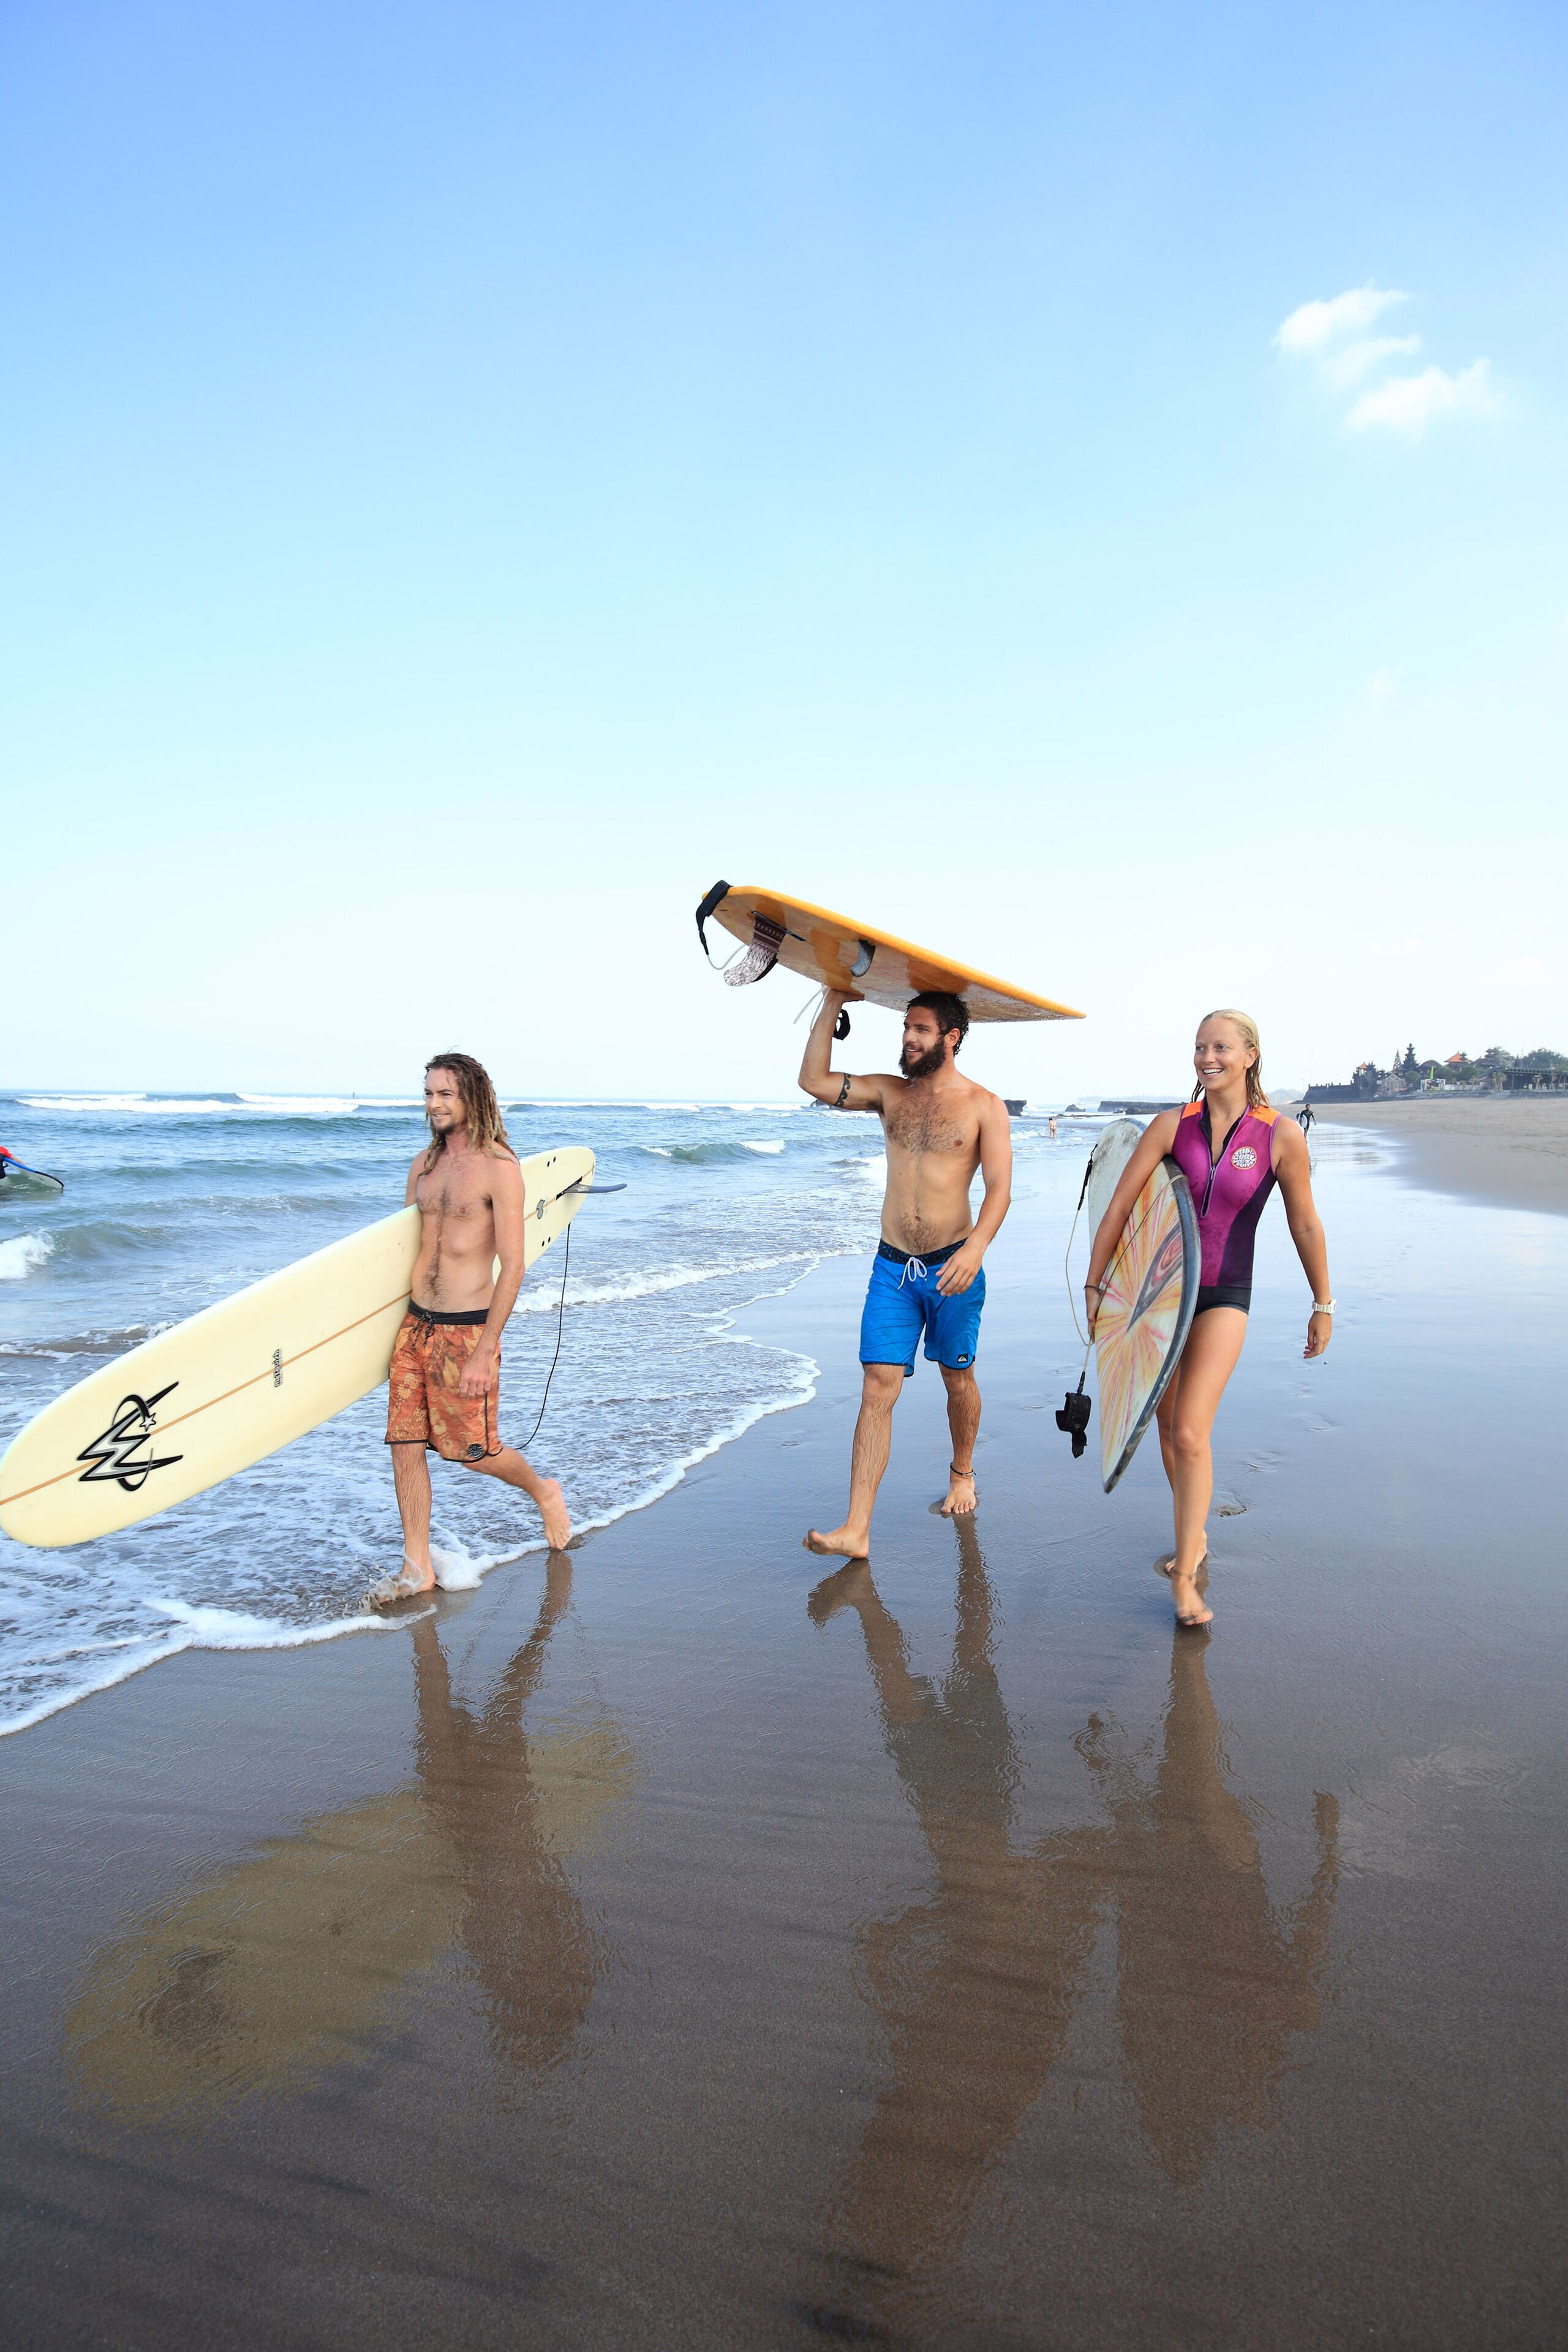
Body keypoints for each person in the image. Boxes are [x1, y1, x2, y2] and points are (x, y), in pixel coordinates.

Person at [1085, 1011, 1332, 1630]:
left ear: (1249, 1055)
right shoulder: (1171, 1126)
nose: (1206, 1057)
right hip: (1158, 1297)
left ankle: (1189, 1566)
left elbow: (1303, 1222)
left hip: (1225, 1293)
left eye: (1220, 1046)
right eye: (1199, 1047)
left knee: (1191, 1430)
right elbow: (1117, 1205)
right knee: (1166, 1428)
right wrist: (1096, 1284)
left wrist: (1322, 1301)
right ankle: (1191, 1527)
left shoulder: (1279, 1136)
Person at [797, 987, 1012, 1557]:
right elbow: (813, 1081)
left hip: (953, 1269)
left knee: (956, 1379)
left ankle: (962, 1471)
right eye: (905, 1029)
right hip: (892, 1268)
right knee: (877, 1385)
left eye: (920, 1029)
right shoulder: (890, 1095)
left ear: (952, 1037)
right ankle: (857, 1528)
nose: (909, 1039)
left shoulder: (983, 1105)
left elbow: (1000, 1190)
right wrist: (831, 1002)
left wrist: (977, 1249)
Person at [368, 1054, 570, 1607]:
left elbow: (515, 1265)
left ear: (472, 1098)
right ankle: (417, 1568)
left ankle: (542, 1490)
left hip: (465, 1331)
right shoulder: (423, 1168)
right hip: (414, 1327)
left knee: (472, 1451)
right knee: (405, 1446)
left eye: (445, 1095)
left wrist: (486, 1350)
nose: (433, 1104)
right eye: (428, 1093)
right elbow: (399, 1253)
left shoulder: (498, 1168)